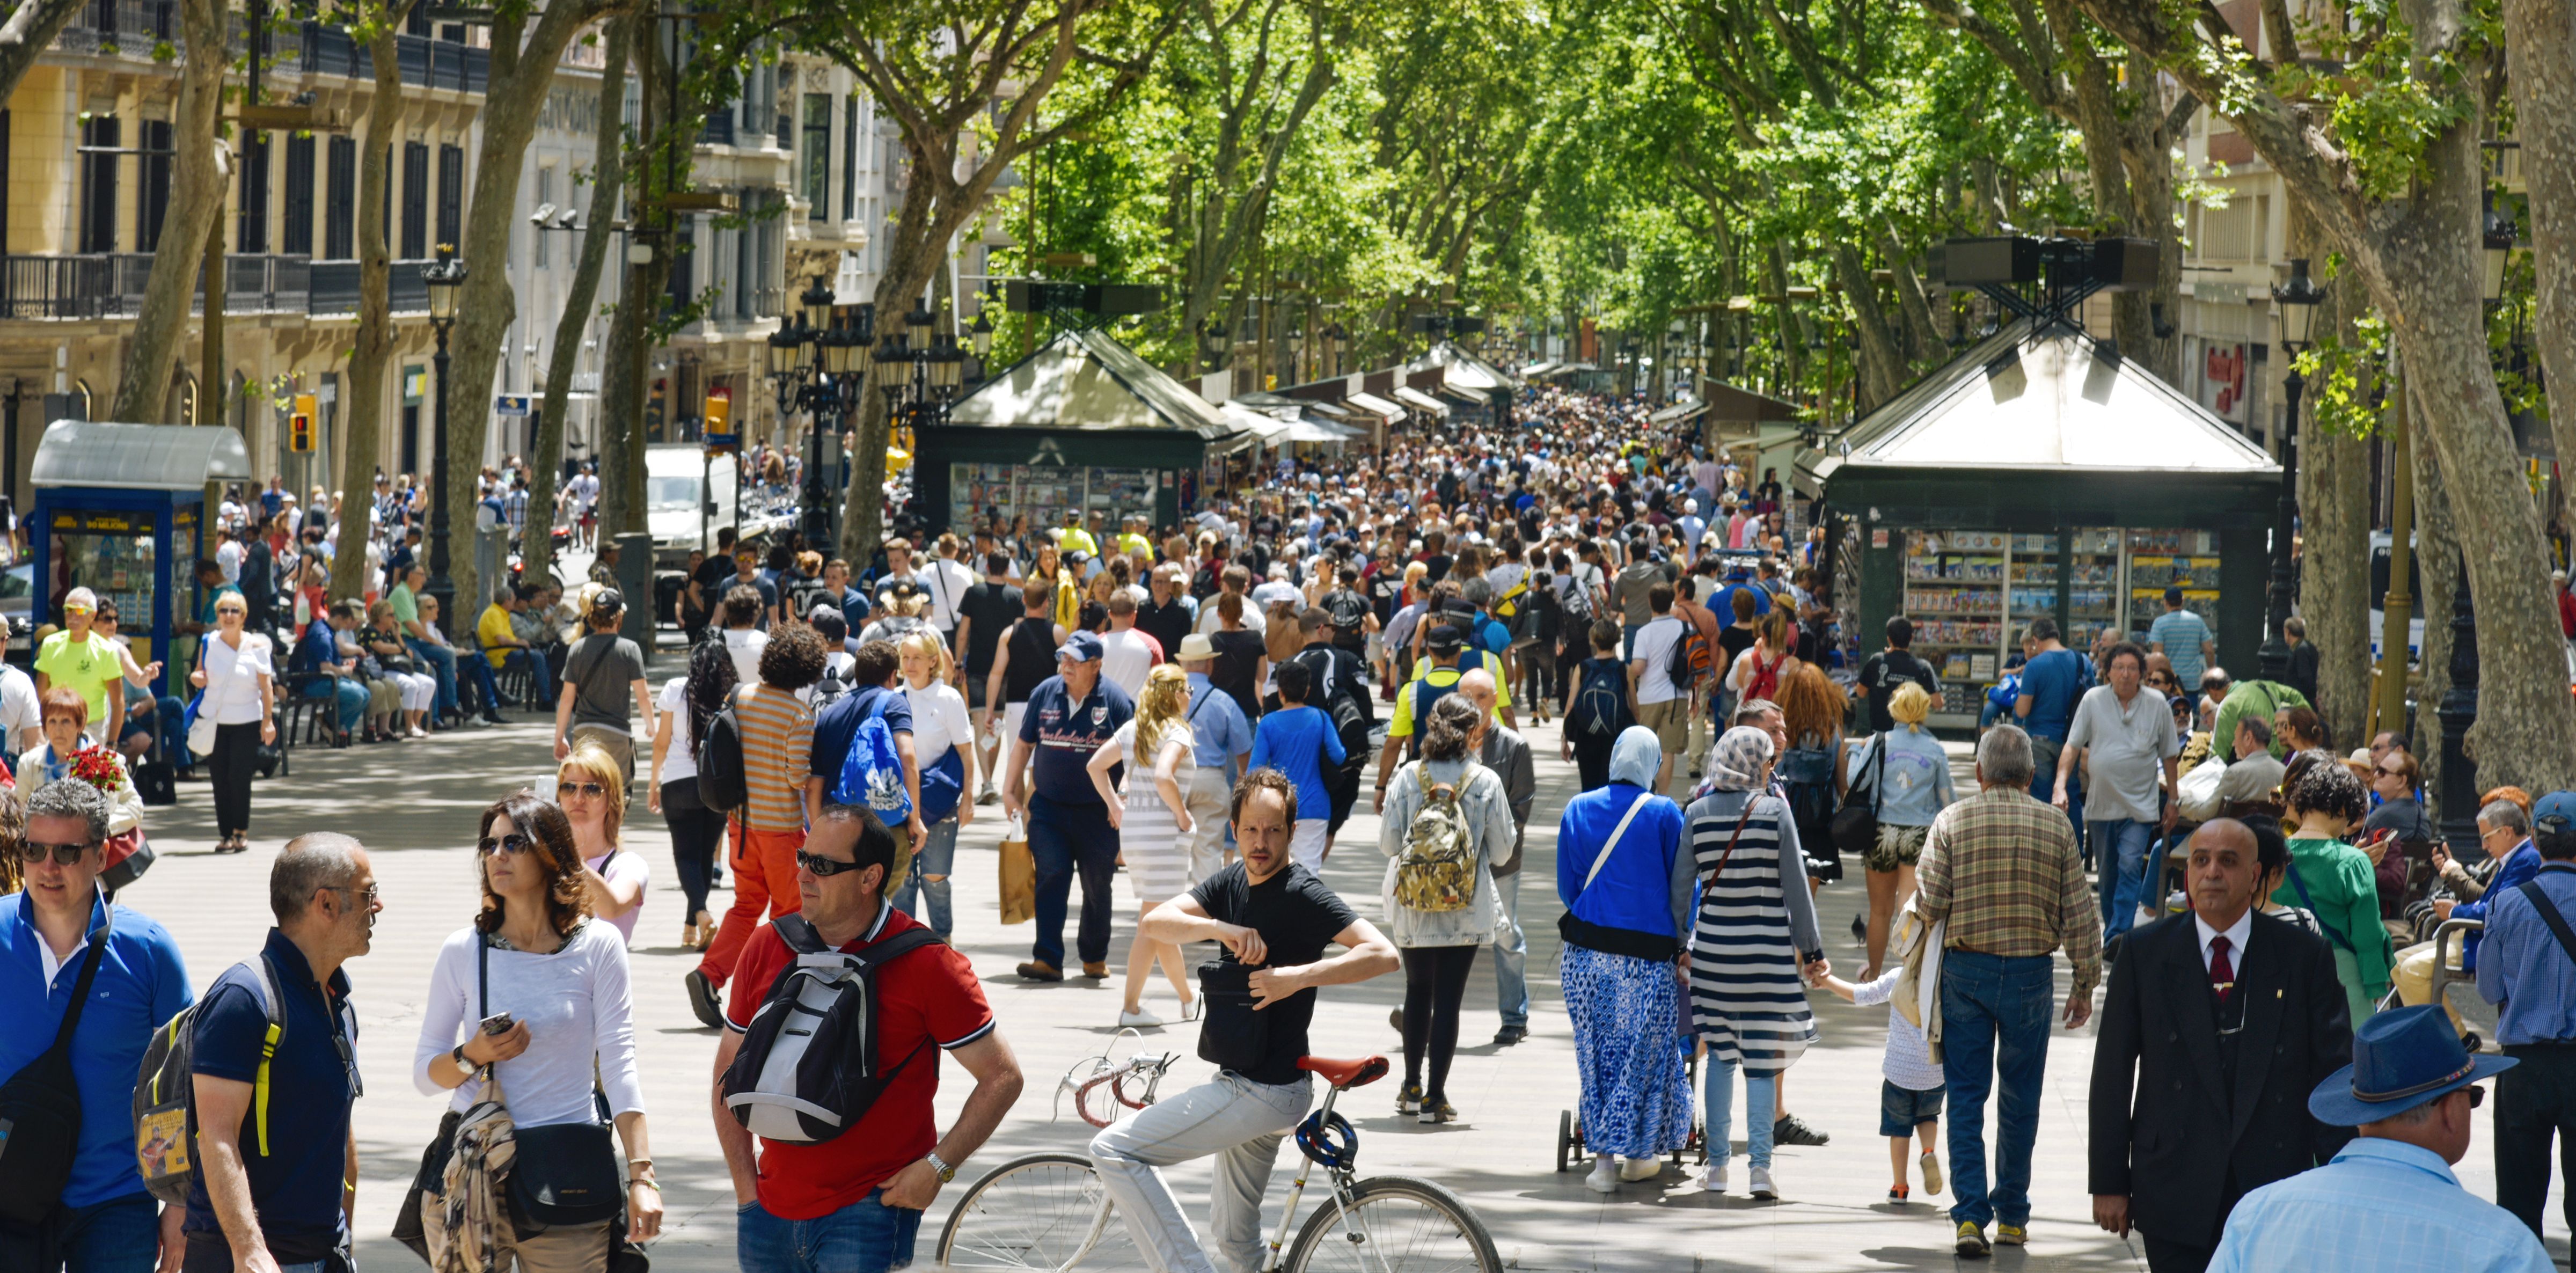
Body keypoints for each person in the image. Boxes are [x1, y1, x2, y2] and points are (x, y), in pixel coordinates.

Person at [1090, 769, 1400, 1273]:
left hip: (1265, 1092)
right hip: (1243, 1081)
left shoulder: (1304, 893)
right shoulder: (1232, 881)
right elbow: (1154, 923)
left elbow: (1384, 955)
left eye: (1274, 830)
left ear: (1291, 833)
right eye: (1252, 829)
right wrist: (1221, 928)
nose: (1262, 842)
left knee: (1114, 1150)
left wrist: (1296, 977)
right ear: (1234, 829)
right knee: (1234, 1239)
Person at [714, 802, 1024, 1273]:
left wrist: (937, 1169)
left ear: (870, 877)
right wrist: (745, 1190)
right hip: (767, 1210)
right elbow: (727, 1070)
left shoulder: (930, 963)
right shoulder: (768, 944)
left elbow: (1003, 1076)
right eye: (803, 857)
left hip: (870, 1211)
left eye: (822, 865)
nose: (803, 875)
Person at [2085, 818, 2354, 1273]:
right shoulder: (2142, 953)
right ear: (2187, 873)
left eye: (2228, 862)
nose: (2212, 872)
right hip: (2173, 1180)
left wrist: (2339, 1176)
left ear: (2254, 876)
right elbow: (2112, 1073)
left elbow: (2334, 1072)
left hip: (2272, 1182)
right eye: (2200, 860)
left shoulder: (2303, 956)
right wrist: (2109, 1181)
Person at [411, 793, 659, 1265]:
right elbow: (425, 1075)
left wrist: (642, 1177)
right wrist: (474, 1053)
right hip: (473, 1170)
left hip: (568, 1168)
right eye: (489, 844)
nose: (497, 855)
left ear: (551, 855)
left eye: (514, 843)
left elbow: (621, 1063)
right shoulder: (464, 951)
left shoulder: (599, 946)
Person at [1914, 724, 2103, 1256]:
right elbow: (2080, 914)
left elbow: (1928, 901)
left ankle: (1970, 1216)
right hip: (2029, 976)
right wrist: (2086, 981)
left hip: (1965, 973)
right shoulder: (2056, 826)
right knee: (2021, 1099)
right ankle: (2014, 1217)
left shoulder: (1952, 820)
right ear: (2031, 774)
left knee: (1967, 1097)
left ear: (1979, 772)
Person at [0, 780, 194, 1273]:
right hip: (10, 1191)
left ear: (102, 853)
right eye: (35, 849)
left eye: (67, 851)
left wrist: (178, 1200)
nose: (48, 867)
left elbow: (181, 1083)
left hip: (117, 1199)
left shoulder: (149, 951)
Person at [2206, 1004, 2548, 1273]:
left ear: (2360, 1111)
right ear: (2450, 1111)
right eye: (2471, 1097)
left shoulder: (2257, 1217)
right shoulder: (2503, 1249)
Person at [182, 833, 378, 1273]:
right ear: (325, 905)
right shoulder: (244, 998)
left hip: (323, 1258)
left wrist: (343, 1237)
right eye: (368, 894)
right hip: (247, 1261)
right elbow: (216, 1135)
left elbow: (337, 1129)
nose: (377, 908)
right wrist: (249, 1249)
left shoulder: (338, 1002)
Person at [1685, 726, 1826, 1200]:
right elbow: (1796, 888)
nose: (1772, 771)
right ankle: (1761, 1170)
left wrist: (1678, 944)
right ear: (1754, 765)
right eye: (1768, 763)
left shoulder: (1696, 813)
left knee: (1721, 1059)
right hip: (1766, 956)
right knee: (1763, 1065)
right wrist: (1813, 949)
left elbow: (1679, 889)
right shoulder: (1774, 811)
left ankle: (1719, 1168)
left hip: (1714, 957)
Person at [1555, 725, 1694, 1189]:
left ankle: (1603, 1165)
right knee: (1645, 1057)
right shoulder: (1664, 813)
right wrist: (1683, 937)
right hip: (1647, 959)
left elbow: (1568, 886)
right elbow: (1682, 887)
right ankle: (1640, 1154)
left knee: (1594, 1055)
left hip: (1586, 957)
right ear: (1653, 764)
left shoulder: (1577, 807)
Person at [1378, 692, 1513, 1125]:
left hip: (1414, 906)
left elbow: (1387, 844)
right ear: (1473, 732)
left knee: (1418, 991)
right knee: (1449, 1001)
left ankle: (1411, 1086)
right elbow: (1504, 850)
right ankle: (1437, 1097)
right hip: (1466, 907)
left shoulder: (1406, 778)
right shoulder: (1486, 782)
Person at [688, 624, 827, 1027]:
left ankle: (709, 974)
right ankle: (773, 993)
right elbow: (796, 775)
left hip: (741, 825)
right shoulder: (799, 715)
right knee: (790, 913)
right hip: (781, 830)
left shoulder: (742, 696)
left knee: (746, 906)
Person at [2471, 790, 2576, 1238]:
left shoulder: (2507, 903)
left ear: (2534, 838)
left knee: (2517, 1206)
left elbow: (2490, 988)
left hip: (2522, 1065)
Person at [1000, 631, 1133, 982]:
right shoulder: (1045, 693)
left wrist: (1119, 800)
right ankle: (1048, 958)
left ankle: (1093, 955)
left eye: (1075, 661)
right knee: (1052, 873)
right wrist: (1008, 789)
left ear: (1096, 665)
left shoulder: (1117, 701)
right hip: (1049, 808)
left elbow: (1134, 758)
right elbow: (1024, 744)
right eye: (1064, 659)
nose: (1066, 666)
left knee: (1097, 883)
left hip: (1097, 812)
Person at [1806, 904, 1947, 1206]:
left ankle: (1899, 1187)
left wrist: (1826, 980)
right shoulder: (1944, 982)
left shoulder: (1897, 978)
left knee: (1899, 1130)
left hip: (1899, 1074)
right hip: (1935, 1072)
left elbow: (1860, 995)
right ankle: (1929, 1152)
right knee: (1928, 1116)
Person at [1086, 663, 1197, 1027]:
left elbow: (1095, 766)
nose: (1190, 696)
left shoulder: (1134, 729)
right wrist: (1182, 814)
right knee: (1153, 923)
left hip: (1135, 831)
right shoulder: (1176, 732)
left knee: (1159, 921)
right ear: (1174, 693)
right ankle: (1131, 1008)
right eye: (1187, 689)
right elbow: (1165, 776)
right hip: (1164, 834)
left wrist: (1116, 805)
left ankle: (1186, 999)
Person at [2057, 641, 2180, 942]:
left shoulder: (2157, 704)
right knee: (2108, 874)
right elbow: (2072, 746)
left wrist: (2174, 799)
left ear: (2142, 673)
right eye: (2119, 668)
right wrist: (2060, 785)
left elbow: (2169, 755)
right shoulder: (2093, 700)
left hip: (2140, 807)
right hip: (2101, 805)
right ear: (2107, 672)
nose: (2125, 674)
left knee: (2129, 864)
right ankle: (2115, 932)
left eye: (2132, 668)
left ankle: (2119, 935)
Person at [1451, 669, 1536, 1046]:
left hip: (1501, 862)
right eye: (1467, 696)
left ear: (1496, 698)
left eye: (1482, 696)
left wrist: (1483, 843)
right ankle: (1435, 1015)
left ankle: (1514, 1016)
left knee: (1505, 935)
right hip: (1452, 864)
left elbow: (1519, 812)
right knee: (1446, 939)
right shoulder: (1446, 745)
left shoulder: (1514, 747)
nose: (1474, 704)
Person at [2279, 757, 2396, 1024]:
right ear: (2345, 808)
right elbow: (2368, 933)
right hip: (2341, 979)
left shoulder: (2275, 856)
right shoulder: (2353, 861)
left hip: (2283, 973)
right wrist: (2377, 984)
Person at [1862, 682, 1955, 978]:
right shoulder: (1935, 750)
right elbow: (1947, 798)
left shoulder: (1878, 742)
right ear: (1924, 711)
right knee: (1909, 909)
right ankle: (1908, 977)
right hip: (1919, 835)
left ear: (1894, 710)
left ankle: (1874, 975)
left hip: (1881, 832)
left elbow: (1858, 783)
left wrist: (1854, 755)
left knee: (1879, 911)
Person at [890, 630, 975, 940]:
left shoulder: (949, 698)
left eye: (917, 658)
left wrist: (969, 799)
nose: (910, 665)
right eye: (905, 658)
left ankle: (943, 943)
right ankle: (904, 947)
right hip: (901, 805)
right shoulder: (896, 697)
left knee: (935, 879)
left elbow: (966, 752)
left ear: (933, 661)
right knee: (903, 881)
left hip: (940, 804)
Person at [652, 640, 734, 952]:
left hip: (678, 782)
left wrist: (653, 783)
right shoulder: (730, 694)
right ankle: (692, 926)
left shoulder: (676, 688)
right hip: (716, 786)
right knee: (703, 856)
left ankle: (700, 914)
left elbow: (661, 742)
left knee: (686, 856)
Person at [189, 591, 277, 854]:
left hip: (246, 720)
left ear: (244, 617)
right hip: (215, 721)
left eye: (234, 611)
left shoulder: (258, 646)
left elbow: (267, 686)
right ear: (217, 616)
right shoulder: (209, 642)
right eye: (223, 611)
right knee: (219, 779)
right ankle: (225, 834)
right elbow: (199, 672)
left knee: (239, 777)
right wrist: (197, 678)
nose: (228, 616)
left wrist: (268, 721)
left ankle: (241, 831)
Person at [1244, 661, 1346, 872]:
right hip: (1315, 805)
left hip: (1277, 807)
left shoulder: (1268, 723)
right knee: (1308, 870)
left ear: (1280, 692)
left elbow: (1254, 770)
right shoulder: (1321, 718)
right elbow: (1339, 756)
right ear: (1307, 690)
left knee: (1276, 870)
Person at [1176, 633, 1254, 886]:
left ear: (1182, 665)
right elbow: (1243, 748)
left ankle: (1169, 909)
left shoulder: (1166, 699)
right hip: (1210, 778)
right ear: (1209, 664)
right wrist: (1242, 777)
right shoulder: (1223, 701)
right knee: (1208, 848)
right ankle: (1205, 911)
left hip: (1172, 777)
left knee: (1170, 848)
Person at [552, 589, 652, 781]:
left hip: (584, 733)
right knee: (618, 792)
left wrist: (559, 737)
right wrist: (651, 727)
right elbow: (643, 696)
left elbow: (567, 698)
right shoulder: (630, 649)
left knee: (587, 789)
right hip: (618, 733)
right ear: (618, 618)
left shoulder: (577, 648)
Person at [560, 740, 651, 946]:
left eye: (592, 789)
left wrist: (563, 854)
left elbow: (613, 907)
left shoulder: (629, 865)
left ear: (612, 799)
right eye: (569, 788)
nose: (578, 798)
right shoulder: (546, 862)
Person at [984, 577, 1066, 774]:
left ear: (1024, 601)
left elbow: (996, 674)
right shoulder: (1059, 633)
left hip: (1016, 705)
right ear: (1047, 602)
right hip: (1048, 705)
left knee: (1017, 764)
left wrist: (990, 711)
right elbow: (1066, 671)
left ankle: (1015, 805)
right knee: (1040, 765)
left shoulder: (1009, 634)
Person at [36, 588, 137, 734]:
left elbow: (118, 703)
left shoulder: (106, 650)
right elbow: (41, 694)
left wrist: (112, 743)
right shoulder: (51, 645)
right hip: (56, 726)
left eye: (80, 611)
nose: (73, 616)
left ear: (93, 615)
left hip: (92, 728)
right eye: (69, 610)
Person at [1625, 582, 1689, 793]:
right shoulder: (1685, 628)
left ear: (1651, 602)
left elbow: (1639, 667)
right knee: (1668, 751)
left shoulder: (1645, 632)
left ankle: (1644, 794)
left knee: (1645, 748)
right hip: (1677, 694)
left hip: (1649, 696)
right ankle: (1663, 796)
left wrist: (1629, 671)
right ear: (1672, 601)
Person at [1561, 619, 1631, 791]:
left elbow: (1570, 706)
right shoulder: (1623, 669)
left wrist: (1565, 738)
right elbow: (1633, 707)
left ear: (1593, 640)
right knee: (1609, 788)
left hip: (1586, 736)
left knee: (1588, 788)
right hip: (1614, 738)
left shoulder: (1583, 667)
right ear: (1616, 640)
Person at [1854, 616, 1943, 735]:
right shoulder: (1923, 667)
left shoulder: (1877, 661)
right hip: (1911, 736)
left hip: (1880, 737)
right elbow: (1938, 704)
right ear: (1911, 638)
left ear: (1889, 639)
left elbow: (1860, 692)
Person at [476, 584, 554, 709]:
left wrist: (520, 641)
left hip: (508, 652)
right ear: (506, 601)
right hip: (501, 655)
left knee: (542, 654)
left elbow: (509, 637)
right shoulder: (494, 614)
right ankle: (546, 700)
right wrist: (520, 643)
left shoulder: (502, 613)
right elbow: (502, 640)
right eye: (513, 599)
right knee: (538, 657)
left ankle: (546, 696)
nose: (514, 602)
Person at [2214, 715, 2287, 811]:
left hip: (2240, 826)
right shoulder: (2285, 772)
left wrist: (2187, 799)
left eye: (2236, 737)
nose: (2233, 743)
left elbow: (2207, 813)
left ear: (2248, 738)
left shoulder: (2236, 773)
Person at [2149, 587, 2216, 693]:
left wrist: (2154, 679)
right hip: (2193, 682)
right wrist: (2211, 672)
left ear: (2165, 602)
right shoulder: (2197, 621)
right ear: (2183, 600)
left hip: (2169, 682)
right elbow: (2209, 650)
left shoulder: (2160, 623)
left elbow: (2157, 654)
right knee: (2190, 709)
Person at [719, 585, 770, 685]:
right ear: (758, 613)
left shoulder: (715, 641)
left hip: (723, 700)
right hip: (757, 699)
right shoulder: (768, 643)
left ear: (726, 611)